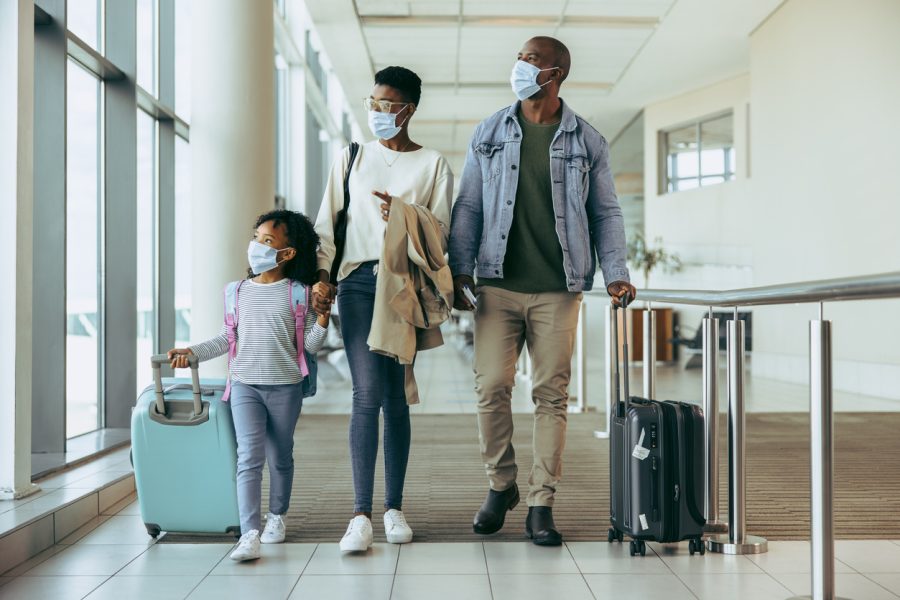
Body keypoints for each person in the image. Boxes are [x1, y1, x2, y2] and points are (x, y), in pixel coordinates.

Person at [448, 36, 637, 546]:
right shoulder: (489, 131)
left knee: (552, 396)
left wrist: (616, 269)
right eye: (519, 57)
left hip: (559, 288)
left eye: (531, 59)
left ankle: (540, 501)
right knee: (491, 389)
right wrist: (459, 271)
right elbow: (467, 206)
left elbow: (606, 212)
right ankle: (501, 484)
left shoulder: (586, 140)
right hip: (496, 286)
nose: (520, 65)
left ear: (555, 74)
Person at [314, 66, 454, 552]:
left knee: (395, 395)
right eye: (371, 102)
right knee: (366, 392)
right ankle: (360, 515)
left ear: (407, 109)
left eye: (385, 105)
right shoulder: (352, 156)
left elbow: (442, 237)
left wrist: (406, 218)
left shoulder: (433, 164)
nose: (374, 112)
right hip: (356, 285)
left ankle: (394, 508)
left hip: (405, 286)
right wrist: (320, 280)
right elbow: (326, 224)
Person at [167, 209, 331, 561]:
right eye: (256, 238)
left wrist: (324, 319)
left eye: (267, 241)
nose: (256, 246)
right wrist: (192, 352)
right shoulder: (235, 292)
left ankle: (277, 516)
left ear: (287, 254)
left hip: (286, 387)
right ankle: (249, 532)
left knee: (280, 455)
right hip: (244, 387)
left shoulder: (299, 294)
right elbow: (227, 339)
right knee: (249, 458)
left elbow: (311, 347)